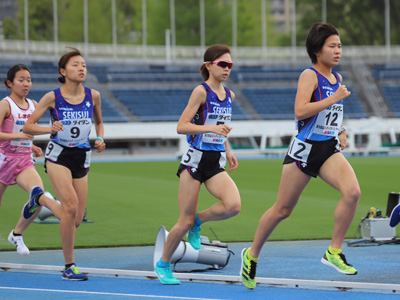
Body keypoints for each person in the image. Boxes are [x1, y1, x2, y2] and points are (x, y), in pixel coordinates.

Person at [240, 23, 361, 289]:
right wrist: (334, 99)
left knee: (352, 192)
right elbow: (300, 111)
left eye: (339, 45)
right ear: (317, 50)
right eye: (332, 46)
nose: (338, 50)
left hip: (328, 148)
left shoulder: (337, 79)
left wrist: (340, 130)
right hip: (304, 151)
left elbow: (330, 114)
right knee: (282, 209)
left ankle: (334, 251)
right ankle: (252, 254)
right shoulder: (310, 75)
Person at [154, 44, 241, 285]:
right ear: (208, 65)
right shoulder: (200, 92)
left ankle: (199, 221)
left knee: (233, 205)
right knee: (183, 221)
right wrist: (210, 128)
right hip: (194, 161)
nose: (227, 69)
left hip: (215, 161)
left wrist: (228, 149)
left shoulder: (230, 96)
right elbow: (181, 126)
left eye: (230, 65)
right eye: (222, 64)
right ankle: (163, 264)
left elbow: (221, 127)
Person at [23, 48, 106, 281]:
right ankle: (69, 266)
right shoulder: (52, 97)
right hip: (58, 155)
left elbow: (99, 123)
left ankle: (40, 199)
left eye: (84, 65)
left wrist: (100, 138)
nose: (81, 68)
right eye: (75, 65)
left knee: (76, 219)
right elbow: (28, 126)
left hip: (82, 156)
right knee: (69, 208)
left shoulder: (94, 96)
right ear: (63, 71)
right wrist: (49, 129)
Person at [0, 64, 62, 255]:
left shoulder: (34, 105)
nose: (26, 83)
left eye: (28, 79)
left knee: (38, 196)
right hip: (3, 160)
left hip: (23, 161)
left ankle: (17, 234)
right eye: (21, 79)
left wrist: (32, 146)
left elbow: (29, 132)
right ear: (10, 83)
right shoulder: (5, 104)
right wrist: (17, 137)